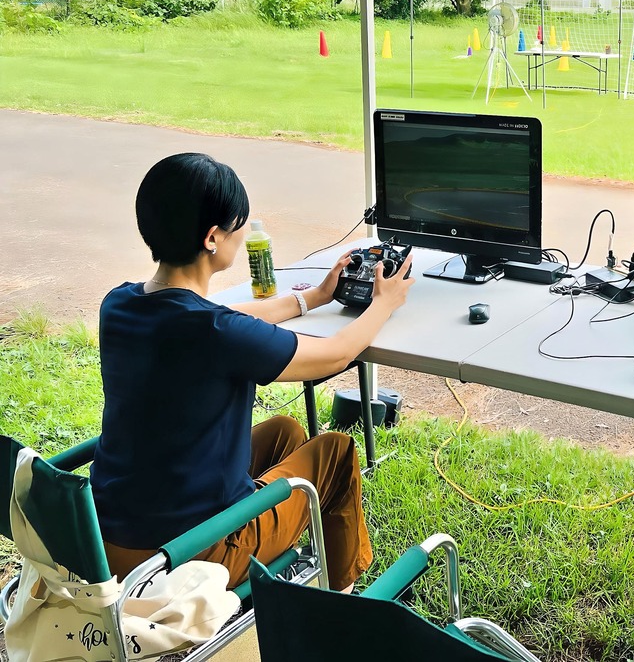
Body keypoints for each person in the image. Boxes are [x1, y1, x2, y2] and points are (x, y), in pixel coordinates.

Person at [91, 152, 414, 593]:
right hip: (188, 554)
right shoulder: (216, 332)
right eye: (238, 223)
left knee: (284, 431)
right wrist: (385, 303)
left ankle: (292, 572)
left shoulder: (121, 303)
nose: (242, 232)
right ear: (212, 238)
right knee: (335, 453)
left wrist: (313, 298)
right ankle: (340, 607)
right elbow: (336, 354)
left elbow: (217, 313)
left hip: (107, 538)